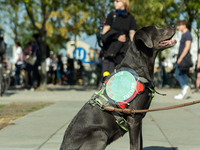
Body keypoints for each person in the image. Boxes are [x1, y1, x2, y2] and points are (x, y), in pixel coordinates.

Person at [101, 0, 137, 76]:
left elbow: (132, 35)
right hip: (111, 52)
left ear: (124, 2)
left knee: (123, 78)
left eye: (117, 1)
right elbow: (104, 35)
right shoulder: (112, 15)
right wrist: (117, 37)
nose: (115, 2)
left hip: (123, 52)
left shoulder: (130, 18)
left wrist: (136, 48)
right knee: (108, 79)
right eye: (114, 1)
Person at [174, 20, 192, 100]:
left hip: (183, 58)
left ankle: (185, 87)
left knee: (177, 74)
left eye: (179, 25)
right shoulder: (184, 34)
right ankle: (184, 92)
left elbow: (187, 47)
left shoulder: (187, 34)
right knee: (183, 74)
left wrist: (180, 58)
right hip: (183, 57)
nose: (178, 27)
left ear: (184, 25)